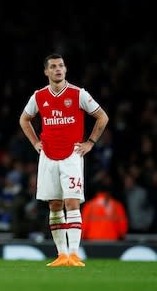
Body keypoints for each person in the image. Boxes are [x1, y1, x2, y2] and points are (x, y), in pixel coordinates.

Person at [19, 53, 109, 267]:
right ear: (46, 72)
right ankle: (61, 255)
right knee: (55, 205)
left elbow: (102, 117)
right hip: (48, 157)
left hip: (71, 156)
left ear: (65, 69)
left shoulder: (78, 94)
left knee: (72, 202)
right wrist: (34, 143)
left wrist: (90, 143)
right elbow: (24, 119)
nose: (58, 69)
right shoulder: (39, 96)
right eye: (53, 66)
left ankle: (75, 254)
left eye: (61, 66)